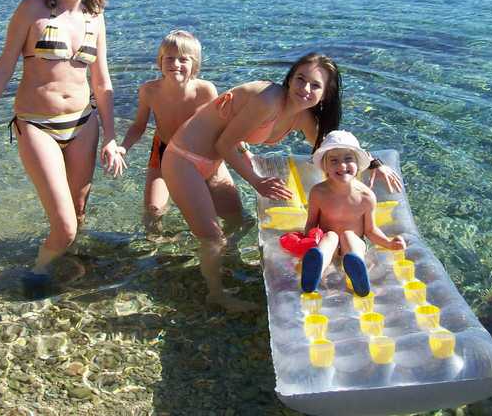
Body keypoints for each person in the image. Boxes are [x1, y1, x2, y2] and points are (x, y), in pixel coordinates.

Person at [161, 52, 402, 312]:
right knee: (212, 238)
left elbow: (335, 148)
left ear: (325, 95)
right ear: (290, 78)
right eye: (300, 79)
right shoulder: (269, 99)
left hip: (215, 162)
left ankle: (226, 267)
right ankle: (216, 294)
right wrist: (257, 181)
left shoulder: (303, 117)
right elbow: (224, 143)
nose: (305, 88)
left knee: (239, 221)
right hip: (184, 159)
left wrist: (375, 163)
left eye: (315, 85)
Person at [0, 0, 126, 294]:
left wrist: (112, 137)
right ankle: (37, 273)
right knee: (66, 224)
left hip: (84, 123)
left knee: (78, 210)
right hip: (37, 124)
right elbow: (5, 65)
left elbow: (102, 81)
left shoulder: (95, 16)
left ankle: (66, 261)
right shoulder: (32, 9)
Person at [118, 30, 231, 234]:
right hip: (164, 151)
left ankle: (225, 247)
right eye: (169, 58)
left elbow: (221, 125)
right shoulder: (149, 90)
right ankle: (159, 249)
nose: (175, 64)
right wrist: (123, 147)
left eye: (183, 59)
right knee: (153, 212)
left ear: (195, 64)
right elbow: (138, 126)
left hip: (201, 152)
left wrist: (241, 149)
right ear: (160, 61)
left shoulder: (205, 90)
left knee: (230, 212)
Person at [300, 130, 406, 297]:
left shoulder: (366, 196)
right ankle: (315, 271)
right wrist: (309, 241)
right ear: (325, 167)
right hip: (329, 242)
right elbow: (311, 223)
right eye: (334, 161)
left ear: (358, 164)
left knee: (349, 236)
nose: (342, 166)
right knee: (330, 237)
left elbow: (370, 230)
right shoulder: (318, 193)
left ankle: (356, 268)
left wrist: (388, 243)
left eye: (348, 159)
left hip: (355, 242)